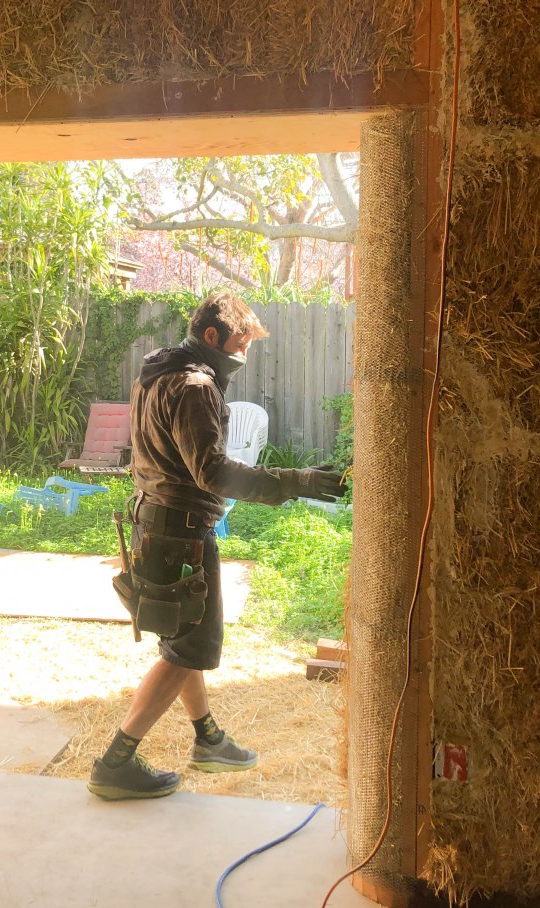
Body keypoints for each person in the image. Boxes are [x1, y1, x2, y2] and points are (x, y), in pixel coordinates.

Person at [88, 289, 344, 800]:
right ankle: (116, 762)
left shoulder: (155, 372)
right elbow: (212, 472)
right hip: (180, 534)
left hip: (152, 524)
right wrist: (297, 481)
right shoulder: (194, 385)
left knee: (182, 642)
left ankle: (207, 739)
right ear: (212, 336)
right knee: (188, 651)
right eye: (241, 345)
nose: (244, 356)